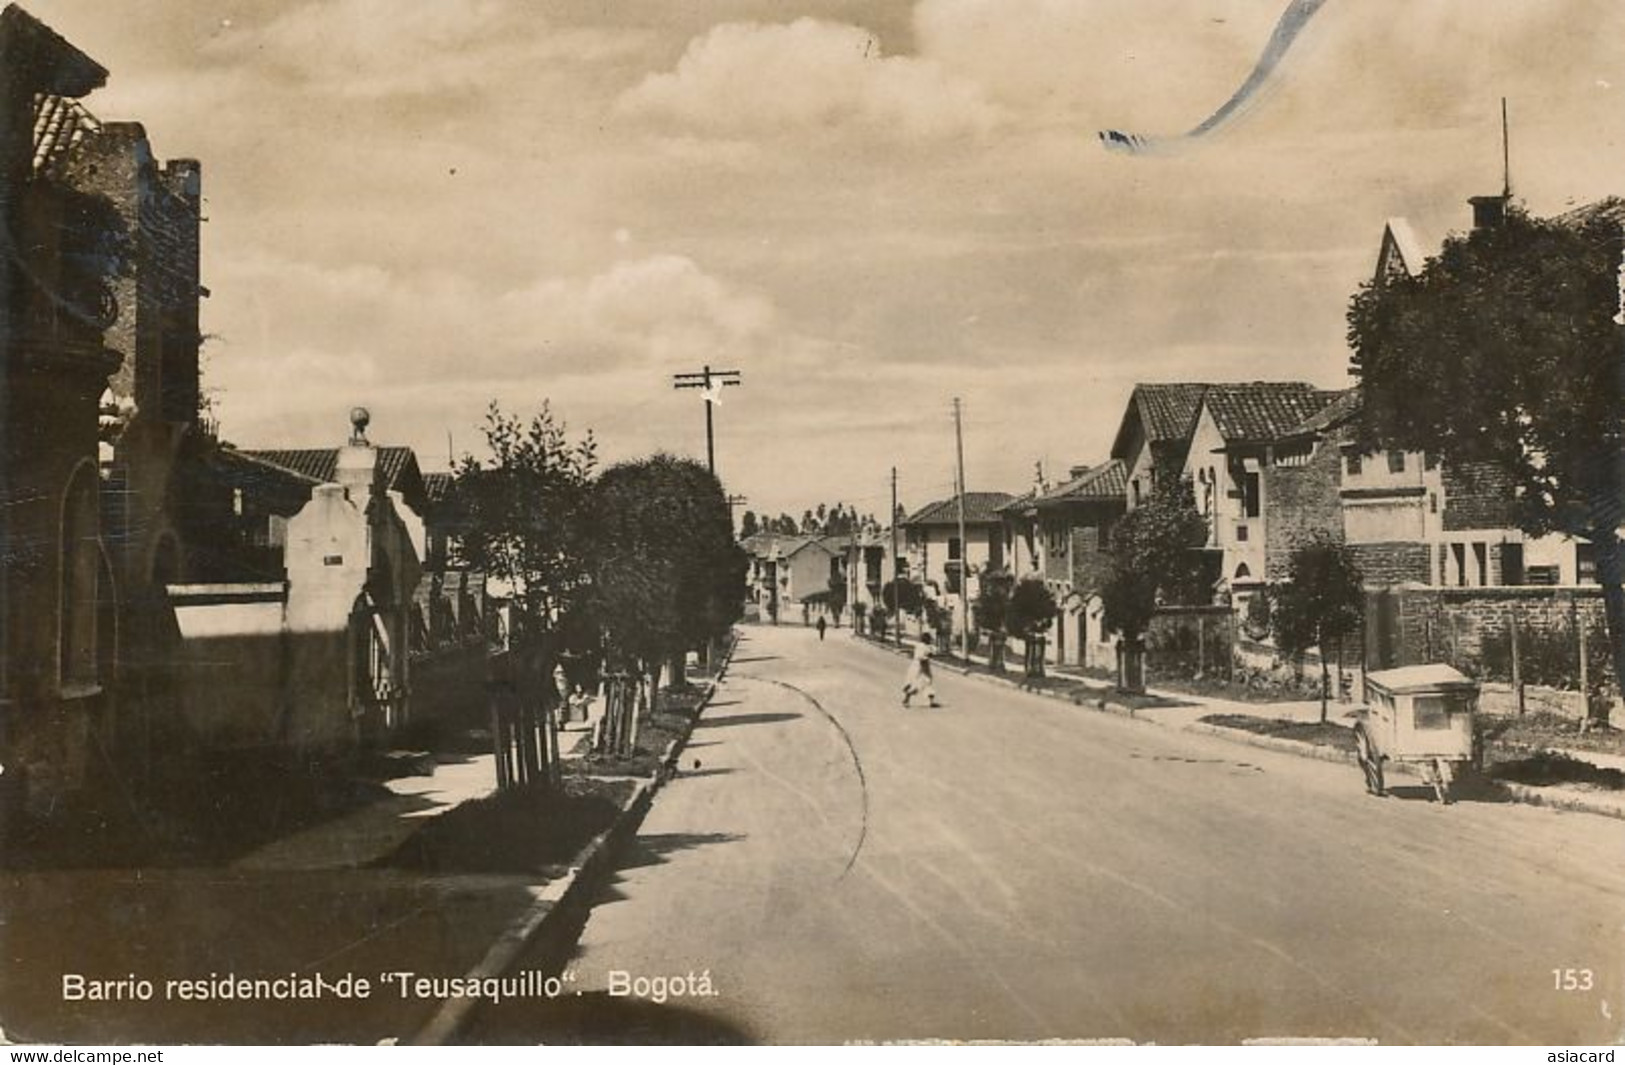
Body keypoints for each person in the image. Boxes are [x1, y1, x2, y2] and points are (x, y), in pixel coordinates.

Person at [902, 631, 940, 708]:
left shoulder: (924, 646)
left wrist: (931, 654)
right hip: (920, 666)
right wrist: (929, 656)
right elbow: (921, 657)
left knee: (928, 682)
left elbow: (930, 652)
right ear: (925, 639)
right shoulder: (922, 646)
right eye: (929, 639)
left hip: (921, 666)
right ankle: (907, 697)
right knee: (920, 683)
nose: (930, 641)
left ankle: (931, 702)